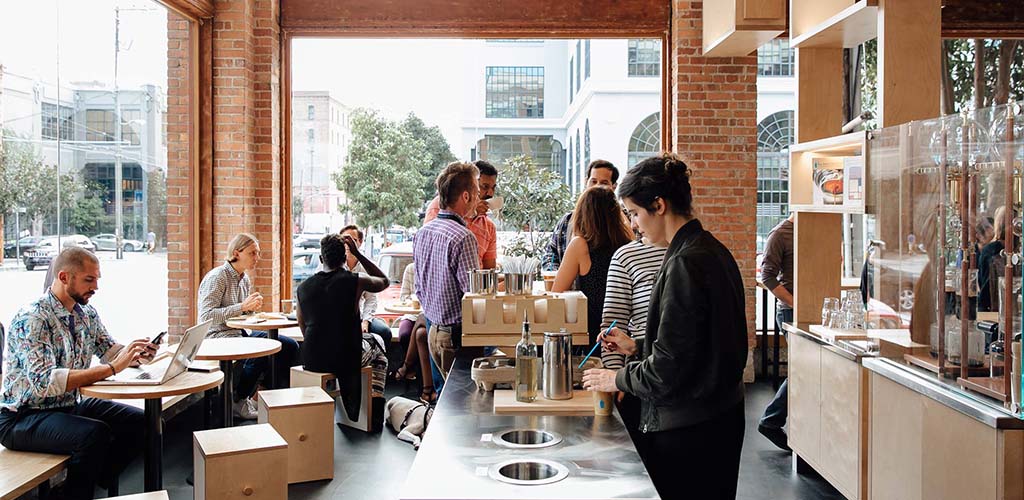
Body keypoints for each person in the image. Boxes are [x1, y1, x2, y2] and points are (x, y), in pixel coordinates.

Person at [583, 154, 747, 500]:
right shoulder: (712, 249)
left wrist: (615, 378)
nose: (634, 224)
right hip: (720, 418)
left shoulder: (685, 262)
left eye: (634, 213)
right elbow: (701, 345)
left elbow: (666, 372)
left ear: (658, 205)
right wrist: (637, 346)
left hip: (690, 429)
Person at [0, 247, 155, 499]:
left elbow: (109, 350)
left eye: (97, 279)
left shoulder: (86, 313)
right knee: (94, 434)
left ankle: (83, 486)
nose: (96, 287)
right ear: (64, 277)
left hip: (67, 406)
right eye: (89, 280)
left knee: (145, 422)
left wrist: (136, 353)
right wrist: (113, 368)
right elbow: (45, 382)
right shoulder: (33, 317)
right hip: (22, 417)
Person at [197, 233, 300, 420]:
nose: (257, 257)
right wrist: (242, 307)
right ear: (237, 253)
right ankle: (237, 400)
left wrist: (250, 310)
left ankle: (261, 397)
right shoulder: (218, 277)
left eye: (258, 253)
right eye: (252, 253)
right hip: (217, 336)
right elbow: (206, 316)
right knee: (260, 351)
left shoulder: (243, 278)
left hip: (238, 332)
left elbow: (240, 314)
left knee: (288, 346)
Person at [297, 233, 391, 432]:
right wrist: (359, 254)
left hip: (312, 358)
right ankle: (373, 410)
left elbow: (303, 325)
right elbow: (384, 281)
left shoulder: (303, 287)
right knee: (377, 343)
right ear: (344, 258)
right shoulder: (354, 281)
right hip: (346, 358)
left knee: (368, 342)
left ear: (321, 258)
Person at [414, 161, 480, 380]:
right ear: (466, 196)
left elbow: (419, 286)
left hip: (433, 330)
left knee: (445, 395)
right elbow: (473, 293)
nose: (479, 198)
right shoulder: (463, 237)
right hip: (456, 336)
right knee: (464, 398)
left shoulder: (423, 232)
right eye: (477, 192)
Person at [599, 234, 667, 439]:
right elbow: (612, 326)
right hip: (638, 378)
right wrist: (616, 377)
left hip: (680, 382)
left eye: (636, 216)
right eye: (631, 217)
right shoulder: (626, 256)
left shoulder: (690, 255)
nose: (634, 224)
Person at [550, 186, 633, 347]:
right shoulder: (628, 246)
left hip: (592, 338)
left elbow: (556, 296)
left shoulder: (580, 245)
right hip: (624, 337)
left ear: (583, 214)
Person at [757, 213, 794, 452]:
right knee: (803, 370)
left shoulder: (816, 231)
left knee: (806, 368)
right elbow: (767, 277)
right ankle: (771, 420)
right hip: (790, 312)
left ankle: (772, 420)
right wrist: (796, 303)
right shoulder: (780, 234)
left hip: (809, 309)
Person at [542, 160, 619, 272]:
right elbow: (550, 254)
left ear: (614, 186)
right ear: (586, 182)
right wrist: (557, 273)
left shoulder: (625, 220)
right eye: (593, 181)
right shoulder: (568, 220)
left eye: (604, 183)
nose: (597, 186)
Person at [424, 160, 499, 269]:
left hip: (477, 279)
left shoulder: (489, 226)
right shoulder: (440, 207)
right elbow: (432, 253)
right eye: (484, 187)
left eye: (493, 188)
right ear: (471, 185)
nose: (490, 193)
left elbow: (489, 270)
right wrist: (470, 210)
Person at [339, 225, 392, 345]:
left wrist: (366, 321)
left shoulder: (368, 267)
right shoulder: (333, 263)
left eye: (352, 241)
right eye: (344, 241)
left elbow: (371, 299)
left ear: (360, 242)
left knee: (384, 332)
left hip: (360, 315)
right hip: (338, 317)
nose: (347, 245)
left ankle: (376, 357)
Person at [393, 263, 435, 403]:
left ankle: (407, 367)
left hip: (432, 314)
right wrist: (413, 299)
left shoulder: (436, 269)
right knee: (407, 334)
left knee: (421, 334)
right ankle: (426, 388)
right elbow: (403, 297)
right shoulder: (411, 269)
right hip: (413, 314)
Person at [979, 207, 1008, 312]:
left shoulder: (989, 250)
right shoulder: (991, 250)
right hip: (998, 308)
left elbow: (982, 281)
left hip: (990, 307)